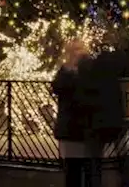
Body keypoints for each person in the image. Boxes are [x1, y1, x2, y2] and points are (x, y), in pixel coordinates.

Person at [81, 49, 129, 187]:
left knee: (95, 160)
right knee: (122, 157)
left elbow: (85, 97)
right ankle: (126, 183)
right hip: (116, 120)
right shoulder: (115, 72)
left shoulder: (91, 72)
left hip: (97, 122)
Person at [53, 40, 91, 187]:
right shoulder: (65, 71)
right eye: (74, 50)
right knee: (72, 171)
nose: (77, 53)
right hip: (71, 128)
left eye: (80, 49)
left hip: (86, 127)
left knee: (89, 171)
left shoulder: (90, 69)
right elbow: (57, 87)